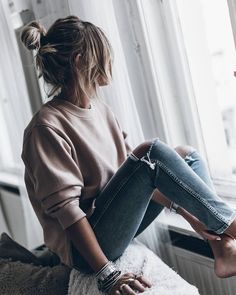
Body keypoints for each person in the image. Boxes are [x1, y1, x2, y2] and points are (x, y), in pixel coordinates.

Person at [20, 15, 236, 295]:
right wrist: (107, 275)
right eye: (103, 54)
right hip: (85, 250)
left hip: (115, 222)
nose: (109, 60)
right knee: (151, 152)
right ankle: (231, 225)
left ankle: (222, 245)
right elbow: (68, 212)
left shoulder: (102, 112)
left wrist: (197, 220)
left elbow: (147, 181)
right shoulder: (46, 127)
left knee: (187, 156)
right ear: (79, 60)